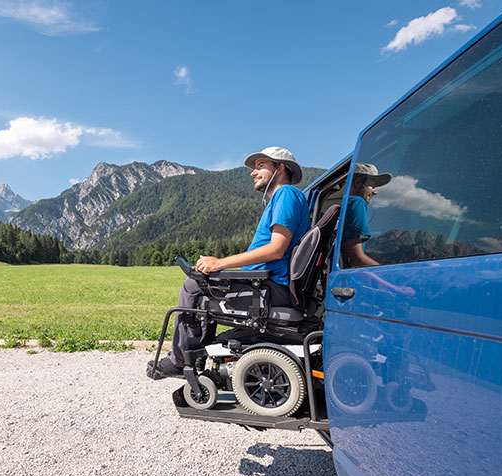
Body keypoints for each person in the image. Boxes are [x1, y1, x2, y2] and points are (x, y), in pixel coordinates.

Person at [147, 146, 310, 380]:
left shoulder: (286, 194)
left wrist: (220, 263)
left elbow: (276, 249)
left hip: (270, 287)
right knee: (201, 284)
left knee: (193, 286)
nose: (253, 173)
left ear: (280, 168)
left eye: (260, 166)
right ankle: (195, 356)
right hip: (266, 283)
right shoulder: (285, 197)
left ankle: (181, 361)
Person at [341, 163, 391, 268]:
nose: (375, 192)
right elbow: (356, 259)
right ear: (358, 182)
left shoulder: (346, 204)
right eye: (372, 185)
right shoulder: (357, 202)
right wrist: (387, 272)